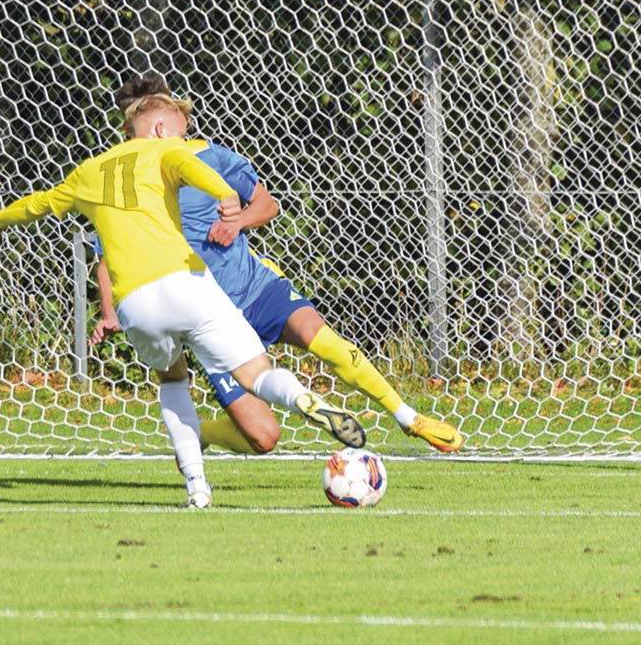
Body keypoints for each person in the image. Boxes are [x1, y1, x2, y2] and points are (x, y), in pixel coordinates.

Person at [0, 93, 365, 508]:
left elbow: (40, 204)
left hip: (136, 303)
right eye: (180, 130)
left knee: (173, 381)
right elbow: (193, 166)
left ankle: (196, 487)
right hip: (187, 282)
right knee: (256, 374)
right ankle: (302, 400)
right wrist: (226, 196)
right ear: (159, 129)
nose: (184, 138)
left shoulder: (88, 172)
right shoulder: (164, 151)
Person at [89, 75, 463, 455]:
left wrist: (237, 223)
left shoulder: (212, 157)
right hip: (208, 316)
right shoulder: (126, 187)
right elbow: (107, 259)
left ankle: (409, 418)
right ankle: (198, 433)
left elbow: (267, 205)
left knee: (325, 340)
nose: (185, 137)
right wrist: (109, 312)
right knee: (262, 437)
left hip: (255, 288)